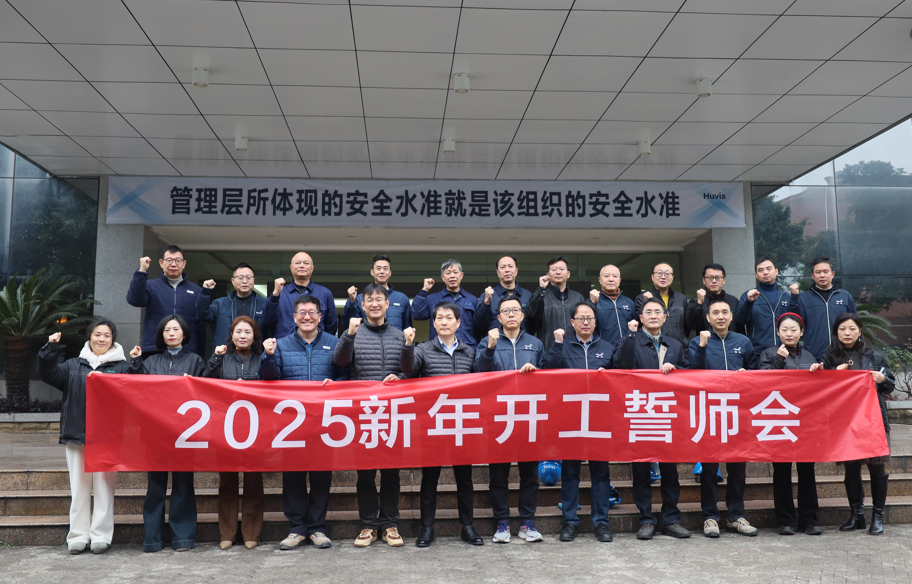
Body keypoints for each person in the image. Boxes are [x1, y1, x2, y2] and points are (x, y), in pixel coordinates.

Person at [260, 294, 347, 551]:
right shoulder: (281, 344)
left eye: (312, 312)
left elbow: (346, 374)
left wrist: (337, 384)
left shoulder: (334, 343)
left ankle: (318, 528)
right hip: (291, 426)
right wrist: (268, 356)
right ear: (294, 317)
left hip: (324, 423)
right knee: (293, 479)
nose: (307, 317)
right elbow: (269, 378)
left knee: (321, 478)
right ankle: (296, 529)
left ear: (320, 316)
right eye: (302, 312)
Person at [38, 318, 132, 555]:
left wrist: (138, 362)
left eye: (107, 335)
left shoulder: (123, 367)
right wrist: (50, 349)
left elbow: (136, 393)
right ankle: (78, 536)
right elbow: (48, 374)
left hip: (107, 438)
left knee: (104, 488)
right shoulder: (73, 365)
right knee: (79, 488)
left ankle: (101, 536)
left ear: (113, 339)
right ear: (89, 337)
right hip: (76, 433)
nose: (102, 339)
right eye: (97, 334)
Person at [332, 283, 410, 548]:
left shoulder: (399, 335)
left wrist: (400, 378)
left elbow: (411, 370)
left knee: (391, 474)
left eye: (380, 299)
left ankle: (390, 524)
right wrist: (349, 335)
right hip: (364, 413)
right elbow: (340, 361)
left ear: (388, 304)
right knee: (365, 474)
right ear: (362, 305)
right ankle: (368, 525)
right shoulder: (353, 332)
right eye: (369, 300)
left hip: (393, 413)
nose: (375, 303)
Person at [399, 302, 483, 547]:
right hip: (433, 424)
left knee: (464, 479)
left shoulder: (469, 351)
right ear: (433, 323)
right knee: (430, 479)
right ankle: (427, 528)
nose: (444, 321)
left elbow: (483, 379)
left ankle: (467, 526)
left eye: (449, 317)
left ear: (458, 323)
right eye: (439, 318)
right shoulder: (423, 349)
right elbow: (408, 369)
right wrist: (408, 345)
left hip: (461, 424)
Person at [613, 298, 690, 541]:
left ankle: (671, 519)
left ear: (665, 317)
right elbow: (621, 365)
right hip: (640, 413)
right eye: (648, 312)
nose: (653, 315)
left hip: (668, 414)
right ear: (641, 317)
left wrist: (676, 371)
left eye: (658, 312)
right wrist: (630, 336)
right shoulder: (630, 339)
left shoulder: (675, 344)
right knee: (641, 470)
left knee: (670, 471)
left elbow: (689, 373)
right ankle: (646, 519)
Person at [128, 314, 205, 553]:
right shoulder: (150, 362)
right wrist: (135, 363)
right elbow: (136, 390)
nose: (171, 333)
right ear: (161, 335)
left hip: (185, 433)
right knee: (155, 487)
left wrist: (193, 384)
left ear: (184, 333)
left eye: (176, 329)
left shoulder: (195, 360)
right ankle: (153, 539)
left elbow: (205, 393)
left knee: (183, 485)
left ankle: (183, 538)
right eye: (167, 330)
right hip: (155, 433)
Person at [475, 297, 546, 544]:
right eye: (506, 311)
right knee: (498, 475)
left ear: (523, 316)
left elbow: (549, 375)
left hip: (529, 416)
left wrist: (536, 373)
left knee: (530, 475)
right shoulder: (488, 341)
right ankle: (502, 522)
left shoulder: (535, 343)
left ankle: (527, 522)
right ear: (499, 317)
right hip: (499, 417)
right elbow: (479, 373)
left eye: (516, 310)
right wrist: (490, 347)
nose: (512, 314)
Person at [544, 302, 614, 543]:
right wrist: (557, 344)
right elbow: (549, 371)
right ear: (572, 322)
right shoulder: (562, 346)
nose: (586, 322)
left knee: (601, 475)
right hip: (570, 420)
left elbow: (621, 380)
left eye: (590, 318)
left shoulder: (607, 347)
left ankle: (601, 523)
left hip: (600, 420)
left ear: (595, 322)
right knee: (570, 473)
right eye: (581, 318)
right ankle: (569, 522)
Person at [688, 299, 757, 539]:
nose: (720, 316)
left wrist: (747, 375)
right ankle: (710, 517)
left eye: (725, 312)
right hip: (709, 412)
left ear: (731, 316)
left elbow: (755, 373)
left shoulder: (743, 341)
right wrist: (702, 346)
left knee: (738, 468)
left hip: (738, 413)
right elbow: (694, 373)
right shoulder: (697, 341)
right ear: (707, 318)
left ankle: (736, 516)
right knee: (709, 468)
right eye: (715, 313)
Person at [823, 313, 895, 536]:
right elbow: (821, 389)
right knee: (851, 468)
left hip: (873, 419)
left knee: (877, 467)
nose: (847, 333)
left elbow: (890, 385)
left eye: (852, 328)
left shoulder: (874, 356)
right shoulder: (829, 357)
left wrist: (883, 380)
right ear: (836, 332)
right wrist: (833, 375)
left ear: (860, 331)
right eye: (842, 329)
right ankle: (857, 515)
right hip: (845, 421)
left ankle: (878, 517)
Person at [757, 313, 824, 536]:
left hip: (805, 422)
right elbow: (761, 382)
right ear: (778, 332)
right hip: (779, 420)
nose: (789, 333)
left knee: (807, 471)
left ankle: (809, 520)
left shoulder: (809, 356)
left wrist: (819, 373)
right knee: (782, 472)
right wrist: (778, 360)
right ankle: (784, 520)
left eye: (794, 330)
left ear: (801, 332)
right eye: (784, 329)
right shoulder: (768, 353)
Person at [203, 316, 266, 550]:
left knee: (253, 481)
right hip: (225, 427)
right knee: (227, 481)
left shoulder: (262, 358)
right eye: (238, 331)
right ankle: (227, 533)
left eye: (248, 332)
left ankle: (251, 532)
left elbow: (272, 382)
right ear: (231, 335)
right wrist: (215, 358)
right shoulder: (222, 358)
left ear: (254, 336)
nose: (242, 336)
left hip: (256, 427)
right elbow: (204, 383)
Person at [127, 245, 205, 355]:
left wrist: (200, 355)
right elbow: (135, 300)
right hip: (153, 348)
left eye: (178, 261)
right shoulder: (150, 286)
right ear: (161, 263)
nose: (173, 264)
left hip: (187, 350)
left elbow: (201, 325)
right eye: (169, 260)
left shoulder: (196, 290)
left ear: (184, 264)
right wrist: (142, 271)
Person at [789, 257, 857, 359]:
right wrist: (795, 297)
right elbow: (796, 323)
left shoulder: (845, 296)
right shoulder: (804, 298)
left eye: (826, 271)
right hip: (815, 356)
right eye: (818, 272)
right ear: (812, 275)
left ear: (832, 274)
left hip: (843, 354)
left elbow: (855, 324)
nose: (822, 275)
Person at [263, 252, 337, 341]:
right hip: (286, 346)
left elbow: (331, 326)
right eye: (298, 263)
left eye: (306, 263)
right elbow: (267, 320)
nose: (302, 266)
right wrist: (275, 294)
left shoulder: (324, 293)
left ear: (312, 268)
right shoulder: (280, 293)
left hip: (316, 346)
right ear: (291, 267)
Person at [197, 262, 267, 350]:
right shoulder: (220, 304)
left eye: (248, 278)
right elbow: (203, 315)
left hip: (256, 354)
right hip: (225, 353)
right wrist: (205, 292)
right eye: (240, 278)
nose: (245, 281)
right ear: (233, 281)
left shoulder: (264, 303)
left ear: (254, 280)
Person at [412, 259, 479, 349]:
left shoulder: (473, 300)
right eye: (448, 273)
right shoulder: (432, 299)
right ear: (443, 277)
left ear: (461, 275)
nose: (452, 276)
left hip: (467, 349)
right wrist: (424, 290)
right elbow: (417, 314)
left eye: (455, 272)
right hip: (438, 350)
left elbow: (480, 325)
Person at [735, 257, 791, 363]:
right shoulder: (748, 295)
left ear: (776, 271)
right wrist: (749, 302)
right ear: (756, 275)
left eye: (769, 269)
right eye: (761, 270)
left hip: (784, 351)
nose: (765, 272)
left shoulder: (786, 296)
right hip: (757, 352)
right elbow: (740, 321)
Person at [525, 256, 585, 352]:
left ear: (568, 274)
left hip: (575, 351)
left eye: (561, 269)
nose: (558, 272)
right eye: (554, 269)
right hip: (548, 351)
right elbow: (531, 314)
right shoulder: (541, 295)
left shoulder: (578, 297)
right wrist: (541, 289)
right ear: (548, 275)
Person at [341, 254, 412, 332]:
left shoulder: (402, 299)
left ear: (390, 273)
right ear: (372, 272)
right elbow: (347, 325)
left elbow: (408, 329)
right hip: (368, 339)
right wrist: (352, 302)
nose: (382, 272)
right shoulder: (360, 298)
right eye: (378, 268)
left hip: (396, 339)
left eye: (385, 269)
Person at [634, 262, 688, 346]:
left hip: (678, 347)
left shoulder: (681, 298)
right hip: (652, 347)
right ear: (652, 277)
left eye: (667, 274)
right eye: (659, 273)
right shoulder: (642, 298)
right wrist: (646, 303)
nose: (663, 277)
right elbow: (638, 323)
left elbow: (687, 325)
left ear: (672, 278)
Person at [474, 255, 532, 333]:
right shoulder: (487, 295)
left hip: (521, 340)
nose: (507, 270)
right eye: (503, 267)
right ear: (498, 272)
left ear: (516, 271)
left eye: (510, 266)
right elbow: (479, 324)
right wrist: (486, 303)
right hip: (495, 340)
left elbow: (533, 324)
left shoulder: (527, 295)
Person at [685, 263, 741, 334]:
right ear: (703, 280)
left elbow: (740, 327)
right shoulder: (695, 301)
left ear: (724, 280)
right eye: (710, 278)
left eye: (718, 278)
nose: (714, 281)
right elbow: (691, 325)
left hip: (730, 340)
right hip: (706, 340)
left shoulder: (733, 301)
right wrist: (699, 304)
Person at [588, 264, 636, 345]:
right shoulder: (593, 302)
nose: (611, 279)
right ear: (600, 280)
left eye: (615, 276)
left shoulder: (628, 302)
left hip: (627, 348)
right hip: (602, 349)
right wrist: (591, 303)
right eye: (606, 276)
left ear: (619, 280)